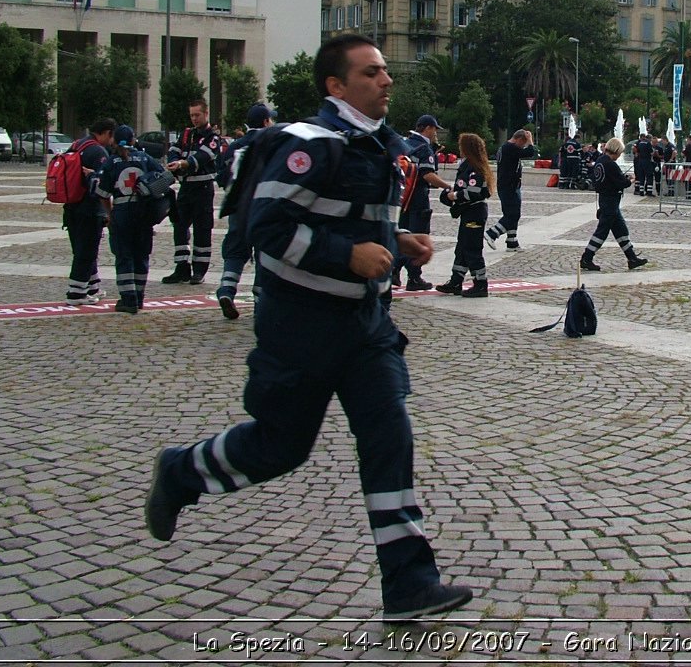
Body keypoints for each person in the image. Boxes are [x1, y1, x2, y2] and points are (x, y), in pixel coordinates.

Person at [143, 34, 473, 623]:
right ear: (336, 86)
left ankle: (409, 584)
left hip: (366, 329)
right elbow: (267, 229)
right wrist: (347, 256)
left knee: (389, 439)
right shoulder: (308, 143)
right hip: (301, 328)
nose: (386, 80)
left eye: (384, 71)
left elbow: (349, 221)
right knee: (280, 447)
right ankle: (181, 472)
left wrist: (398, 244)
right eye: (371, 73)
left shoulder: (377, 146)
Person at [95, 125, 166, 313]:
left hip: (122, 211)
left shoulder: (112, 161)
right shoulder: (145, 158)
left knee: (124, 255)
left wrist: (110, 216)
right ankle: (140, 297)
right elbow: (164, 176)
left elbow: (102, 193)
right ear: (134, 140)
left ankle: (128, 300)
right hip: (143, 212)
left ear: (115, 141)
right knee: (142, 255)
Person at [214, 103, 276, 319]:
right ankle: (260, 302)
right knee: (264, 254)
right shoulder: (272, 142)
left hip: (238, 207)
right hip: (263, 207)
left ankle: (226, 290)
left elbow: (222, 176)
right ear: (266, 121)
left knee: (235, 251)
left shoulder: (235, 145)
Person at [163, 99, 225, 284]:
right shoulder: (186, 134)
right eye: (192, 115)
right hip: (186, 188)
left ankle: (199, 270)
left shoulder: (212, 138)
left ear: (206, 114)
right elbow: (173, 150)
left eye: (197, 115)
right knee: (180, 226)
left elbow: (202, 157)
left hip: (203, 189)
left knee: (202, 229)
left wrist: (183, 163)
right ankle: (181, 267)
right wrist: (175, 161)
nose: (194, 119)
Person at [63, 119, 116, 305]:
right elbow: (102, 186)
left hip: (71, 205)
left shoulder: (76, 144)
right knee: (86, 251)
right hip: (89, 208)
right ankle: (76, 294)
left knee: (82, 249)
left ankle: (92, 287)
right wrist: (109, 212)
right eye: (112, 137)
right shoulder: (98, 151)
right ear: (107, 133)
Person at [394, 115, 448, 291]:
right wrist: (448, 187)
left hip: (403, 198)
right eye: (434, 130)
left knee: (403, 235)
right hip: (418, 199)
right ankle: (414, 277)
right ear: (428, 128)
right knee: (419, 236)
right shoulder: (424, 148)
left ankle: (394, 271)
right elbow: (427, 175)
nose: (435, 134)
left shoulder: (405, 143)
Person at [435, 133, 492, 297]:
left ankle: (480, 284)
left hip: (475, 212)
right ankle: (456, 281)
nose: (459, 149)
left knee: (472, 249)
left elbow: (475, 192)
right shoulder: (467, 165)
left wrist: (455, 196)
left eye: (462, 146)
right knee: (462, 249)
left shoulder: (475, 167)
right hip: (468, 212)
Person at [580, 137, 648, 272]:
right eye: (620, 153)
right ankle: (587, 258)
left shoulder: (600, 161)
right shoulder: (610, 164)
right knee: (602, 232)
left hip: (605, 200)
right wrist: (631, 180)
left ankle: (632, 258)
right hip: (610, 201)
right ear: (616, 151)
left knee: (621, 230)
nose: (620, 156)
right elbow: (621, 182)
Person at [486, 128, 536, 250]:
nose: (523, 146)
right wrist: (530, 140)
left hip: (509, 185)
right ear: (519, 139)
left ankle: (512, 241)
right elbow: (530, 153)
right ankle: (492, 233)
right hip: (509, 186)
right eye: (523, 143)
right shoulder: (510, 148)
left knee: (513, 214)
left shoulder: (505, 147)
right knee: (512, 215)